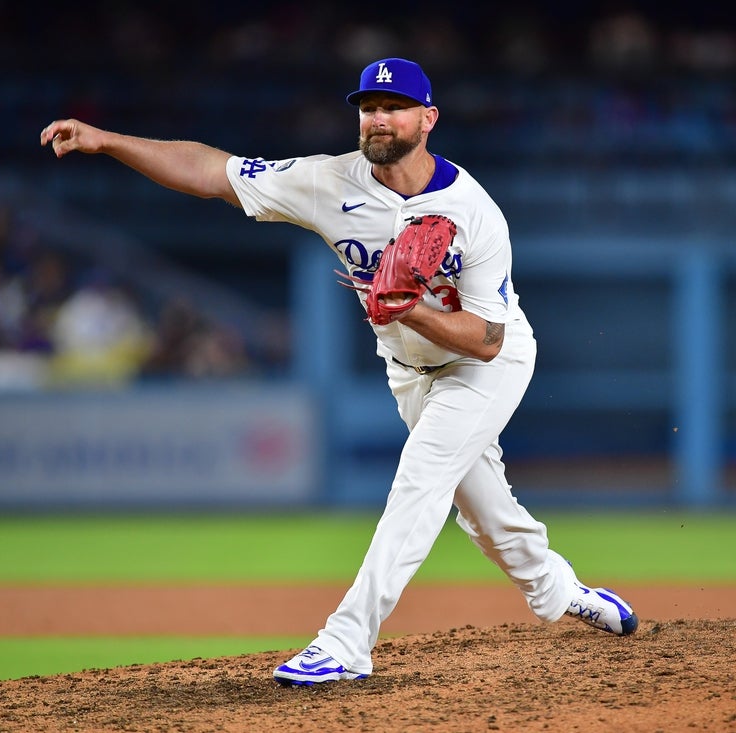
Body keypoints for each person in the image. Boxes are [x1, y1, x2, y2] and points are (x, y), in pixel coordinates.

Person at [40, 57, 637, 686]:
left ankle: (347, 642)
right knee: (485, 514)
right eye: (369, 107)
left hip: (486, 363)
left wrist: (411, 308)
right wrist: (107, 141)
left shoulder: (474, 212)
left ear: (428, 119)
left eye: (395, 108)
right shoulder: (328, 181)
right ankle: (558, 590)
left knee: (421, 480)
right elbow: (211, 172)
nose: (378, 118)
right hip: (409, 370)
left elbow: (490, 340)